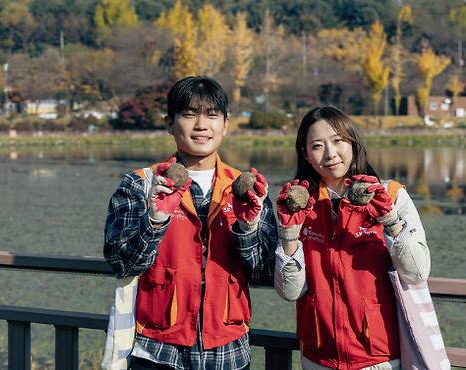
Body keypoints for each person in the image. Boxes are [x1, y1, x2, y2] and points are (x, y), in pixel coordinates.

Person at [103, 76, 277, 370]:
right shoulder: (141, 184)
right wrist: (155, 219)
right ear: (169, 124)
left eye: (211, 115)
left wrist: (249, 226)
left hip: (228, 351)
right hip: (158, 350)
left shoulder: (246, 189)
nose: (201, 125)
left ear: (225, 124)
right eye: (188, 114)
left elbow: (263, 271)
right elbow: (122, 262)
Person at [274, 106, 432, 370]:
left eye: (338, 141)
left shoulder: (390, 196)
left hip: (379, 358)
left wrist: (390, 220)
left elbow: (417, 273)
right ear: (306, 154)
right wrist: (289, 232)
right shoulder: (299, 206)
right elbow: (290, 292)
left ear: (353, 144)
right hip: (318, 358)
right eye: (317, 146)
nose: (331, 154)